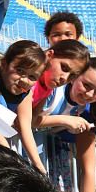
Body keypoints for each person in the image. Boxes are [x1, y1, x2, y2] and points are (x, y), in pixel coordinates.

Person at [34, 58, 96, 192]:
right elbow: (24, 119)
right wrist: (65, 120)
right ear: (74, 77)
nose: (89, 94)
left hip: (45, 157)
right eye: (86, 85)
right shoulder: (53, 90)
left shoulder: (87, 111)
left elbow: (89, 169)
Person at [14, 40, 90, 173]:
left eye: (72, 76)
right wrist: (38, 165)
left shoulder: (48, 88)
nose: (64, 78)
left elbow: (33, 121)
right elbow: (24, 124)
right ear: (49, 55)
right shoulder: (30, 82)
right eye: (64, 68)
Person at [0, 40, 46, 147]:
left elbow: (26, 131)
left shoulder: (25, 94)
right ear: (4, 65)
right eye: (20, 71)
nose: (24, 80)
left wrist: (38, 164)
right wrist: (10, 156)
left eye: (32, 77)